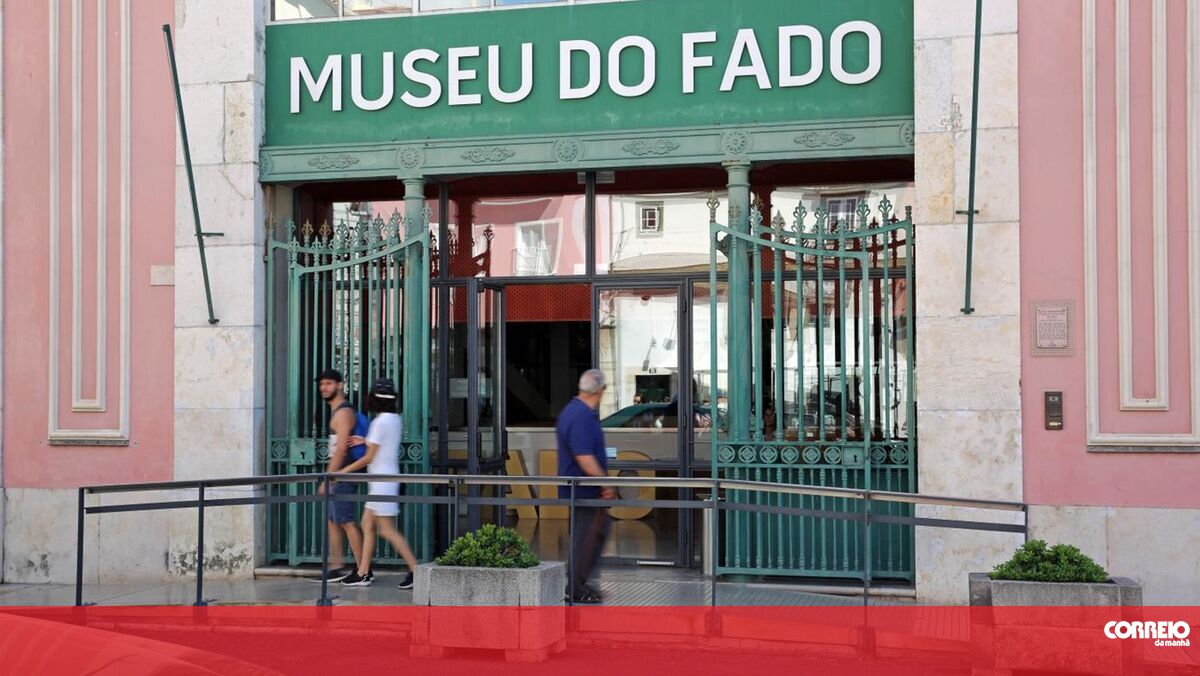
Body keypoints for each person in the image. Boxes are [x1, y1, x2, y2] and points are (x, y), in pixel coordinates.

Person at [337, 377, 419, 590]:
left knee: (387, 530)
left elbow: (368, 457)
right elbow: (383, 444)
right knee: (367, 525)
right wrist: (365, 440)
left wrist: (344, 471)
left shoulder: (379, 422)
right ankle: (363, 572)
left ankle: (416, 571)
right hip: (386, 480)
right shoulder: (395, 419)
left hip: (382, 482)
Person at [556, 369, 615, 604]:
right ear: (600, 390)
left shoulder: (573, 412)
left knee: (595, 533)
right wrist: (605, 483)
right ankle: (576, 589)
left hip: (582, 490)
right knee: (585, 539)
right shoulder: (580, 416)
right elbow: (584, 457)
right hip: (583, 491)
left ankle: (580, 584)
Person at [315, 369, 364, 583]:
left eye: (328, 383)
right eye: (322, 384)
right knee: (333, 520)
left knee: (346, 521)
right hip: (339, 474)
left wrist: (330, 477)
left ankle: (363, 569)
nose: (324, 388)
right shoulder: (337, 411)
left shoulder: (343, 413)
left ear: (340, 385)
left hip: (344, 474)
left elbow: (342, 448)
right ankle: (336, 566)